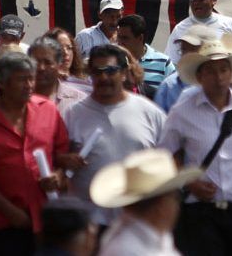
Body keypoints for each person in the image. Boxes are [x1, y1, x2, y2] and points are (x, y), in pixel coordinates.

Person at [157, 33, 232, 256]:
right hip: (201, 214)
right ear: (200, 75)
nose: (219, 77)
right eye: (211, 70)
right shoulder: (182, 111)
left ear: (231, 73)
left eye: (223, 69)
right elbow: (165, 155)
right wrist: (189, 182)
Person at [0, 52, 71, 253]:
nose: (29, 85)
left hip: (49, 220)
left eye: (31, 78)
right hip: (5, 225)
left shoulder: (48, 109)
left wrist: (58, 176)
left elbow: (62, 153)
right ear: (2, 83)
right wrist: (10, 212)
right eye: (22, 79)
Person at [63, 44, 167, 229]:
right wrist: (65, 161)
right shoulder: (72, 114)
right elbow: (57, 161)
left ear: (125, 73)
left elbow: (170, 160)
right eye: (97, 71)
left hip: (137, 224)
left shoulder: (150, 113)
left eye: (110, 71)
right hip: (89, 226)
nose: (103, 77)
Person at [92, 149, 204, 256]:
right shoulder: (126, 249)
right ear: (161, 207)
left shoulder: (157, 237)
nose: (177, 206)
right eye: (175, 197)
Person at [164, 0, 232, 64]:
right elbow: (172, 63)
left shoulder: (229, 24)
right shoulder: (180, 28)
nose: (196, 2)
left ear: (214, 0)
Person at [115, 14, 175, 100]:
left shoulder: (164, 63)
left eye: (125, 38)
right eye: (118, 37)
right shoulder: (111, 60)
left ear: (140, 38)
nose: (120, 42)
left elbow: (173, 95)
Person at [29, 35, 87, 115]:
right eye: (36, 62)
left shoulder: (80, 101)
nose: (41, 67)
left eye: (47, 62)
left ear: (59, 64)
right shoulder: (18, 99)